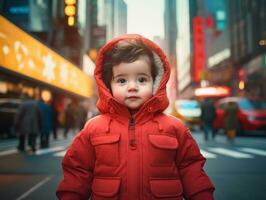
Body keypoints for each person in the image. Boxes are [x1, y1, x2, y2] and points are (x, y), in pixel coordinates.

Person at [56, 34, 215, 199]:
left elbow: (191, 169)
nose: (132, 87)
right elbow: (77, 171)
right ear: (108, 85)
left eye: (141, 79)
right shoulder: (94, 128)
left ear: (155, 83)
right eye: (122, 80)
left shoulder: (174, 127)